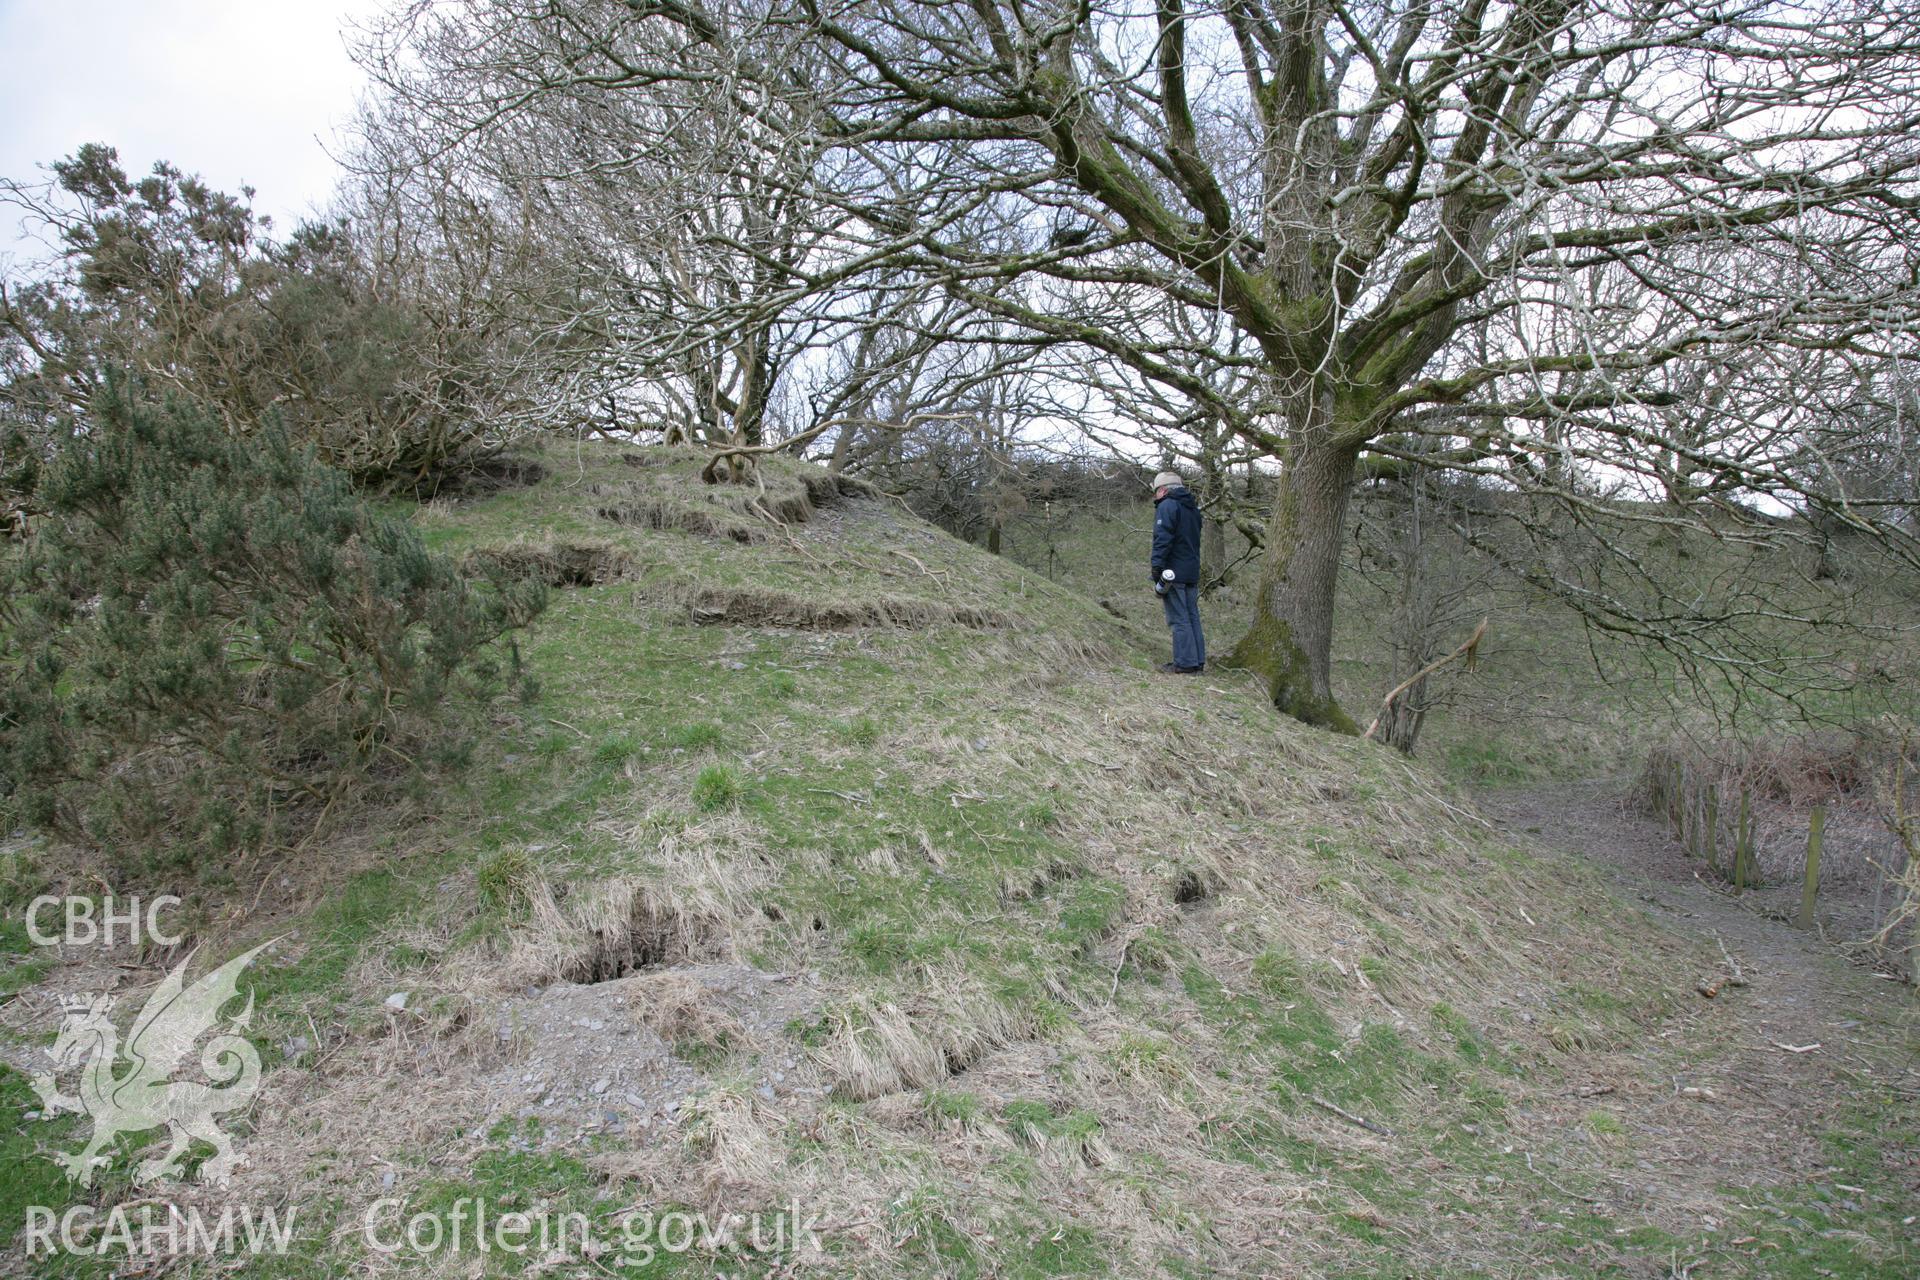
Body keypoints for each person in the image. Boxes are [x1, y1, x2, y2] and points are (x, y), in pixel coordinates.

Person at [1150, 469, 1205, 674]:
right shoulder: (1193, 509)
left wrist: (1157, 567)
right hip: (1191, 570)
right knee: (1192, 616)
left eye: (1156, 491)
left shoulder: (1167, 506)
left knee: (1178, 618)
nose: (1155, 496)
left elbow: (1162, 539)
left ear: (1163, 490)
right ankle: (1197, 661)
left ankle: (1184, 663)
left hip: (1173, 572)